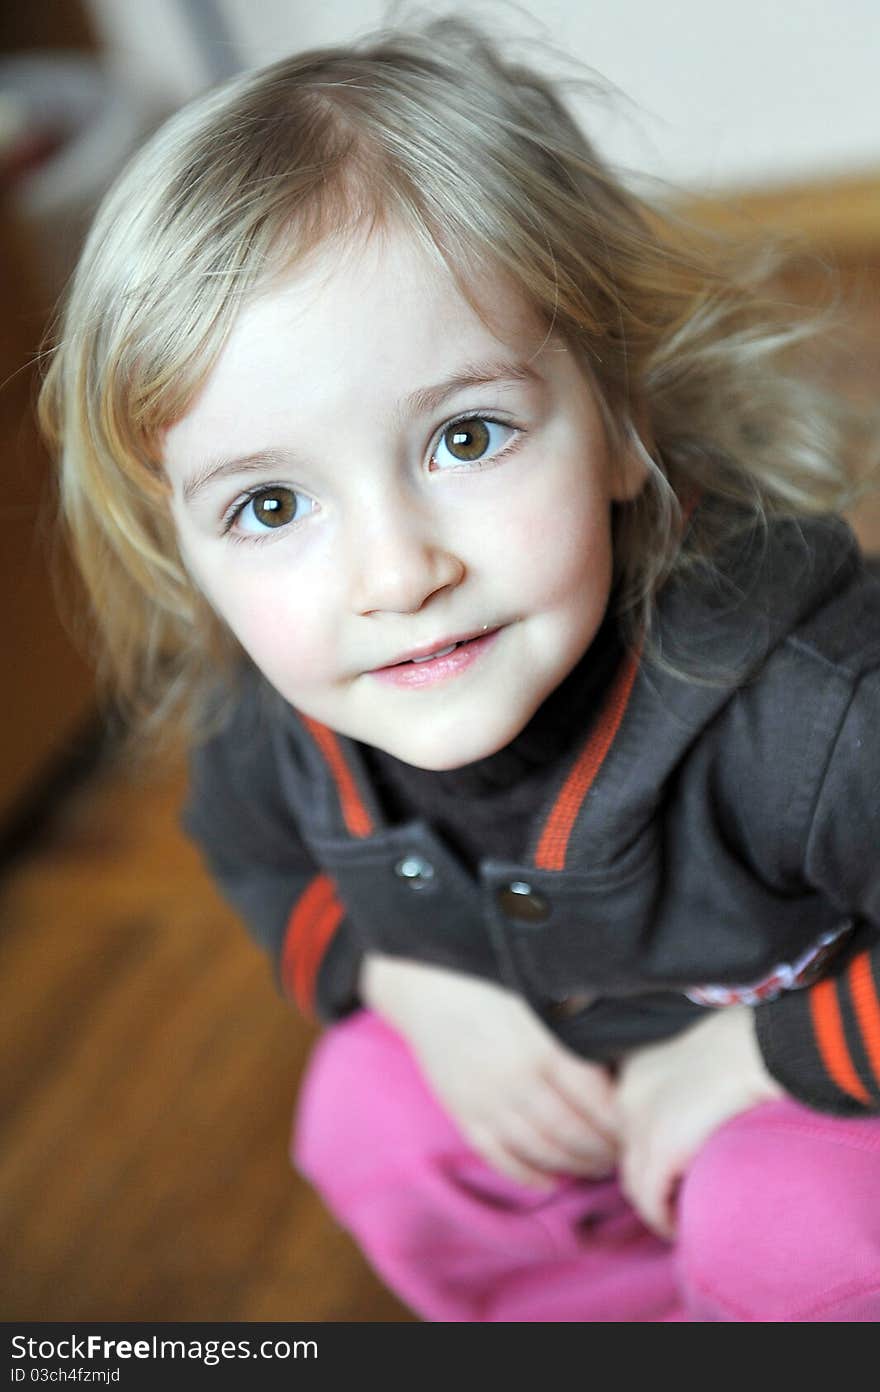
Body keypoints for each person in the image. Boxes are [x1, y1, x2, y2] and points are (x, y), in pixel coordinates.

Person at [39, 18, 880, 1322]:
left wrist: (765, 1059)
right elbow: (262, 857)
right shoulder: (284, 716)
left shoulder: (820, 705)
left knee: (791, 1230)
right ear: (184, 549)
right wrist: (400, 983)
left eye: (467, 435)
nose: (395, 573)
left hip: (823, 1097)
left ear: (619, 421)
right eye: (269, 509)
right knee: (369, 1112)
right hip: (572, 1084)